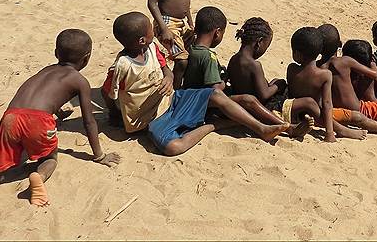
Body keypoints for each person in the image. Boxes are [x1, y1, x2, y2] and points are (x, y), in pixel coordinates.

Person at [0, 30, 120, 236]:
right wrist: (99, 155)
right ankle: (38, 176)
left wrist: (58, 111)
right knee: (50, 157)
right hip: (38, 122)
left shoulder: (45, 70)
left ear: (56, 53)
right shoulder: (79, 80)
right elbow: (89, 121)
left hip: (11, 117)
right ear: (86, 59)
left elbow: (40, 95)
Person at [103, 12, 287, 156]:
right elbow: (107, 93)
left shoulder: (151, 48)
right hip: (152, 119)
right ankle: (213, 126)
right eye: (151, 29)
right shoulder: (122, 67)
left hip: (171, 100)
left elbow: (165, 67)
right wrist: (115, 114)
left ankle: (262, 129)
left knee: (215, 95)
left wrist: (168, 78)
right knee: (173, 147)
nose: (155, 29)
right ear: (142, 39)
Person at [226, 17, 317, 137]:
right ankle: (329, 122)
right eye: (266, 46)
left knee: (275, 82)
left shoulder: (234, 59)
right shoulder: (254, 65)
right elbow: (264, 95)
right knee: (306, 101)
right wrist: (277, 86)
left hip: (249, 101)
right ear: (259, 43)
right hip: (264, 106)